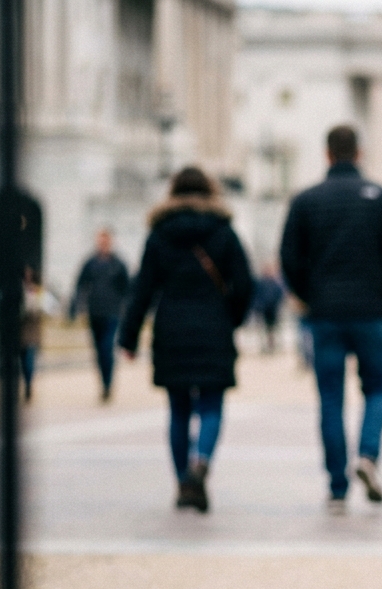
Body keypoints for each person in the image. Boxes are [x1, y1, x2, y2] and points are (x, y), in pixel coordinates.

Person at [280, 125, 382, 512]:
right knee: (379, 388)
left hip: (325, 313)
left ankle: (337, 485)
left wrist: (309, 295)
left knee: (330, 398)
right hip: (373, 311)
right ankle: (368, 455)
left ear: (327, 154)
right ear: (359, 153)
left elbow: (289, 258)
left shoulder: (306, 200)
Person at [119, 167, 255, 513]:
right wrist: (232, 318)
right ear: (210, 192)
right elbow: (245, 284)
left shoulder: (159, 233)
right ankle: (201, 461)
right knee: (211, 404)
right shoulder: (224, 232)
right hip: (214, 326)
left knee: (178, 409)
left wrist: (129, 337)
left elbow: (142, 289)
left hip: (172, 329)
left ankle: (183, 483)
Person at [71, 228, 130, 401]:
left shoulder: (118, 264)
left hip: (112, 313)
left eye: (106, 240)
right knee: (98, 350)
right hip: (94, 312)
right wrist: (74, 307)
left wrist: (127, 309)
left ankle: (108, 384)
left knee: (107, 348)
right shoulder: (90, 263)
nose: (103, 243)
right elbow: (80, 284)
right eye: (100, 240)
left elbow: (127, 289)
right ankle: (103, 382)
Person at [20, 266, 51, 402]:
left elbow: (46, 308)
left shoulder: (38, 290)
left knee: (29, 360)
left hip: (32, 331)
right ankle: (26, 383)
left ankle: (28, 384)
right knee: (22, 361)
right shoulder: (17, 289)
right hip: (20, 332)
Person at [252, 263, 285, 353]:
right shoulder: (260, 283)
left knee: (273, 329)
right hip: (262, 310)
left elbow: (280, 294)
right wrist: (258, 306)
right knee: (263, 329)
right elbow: (256, 296)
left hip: (273, 309)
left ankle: (273, 345)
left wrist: (277, 304)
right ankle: (264, 345)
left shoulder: (275, 283)